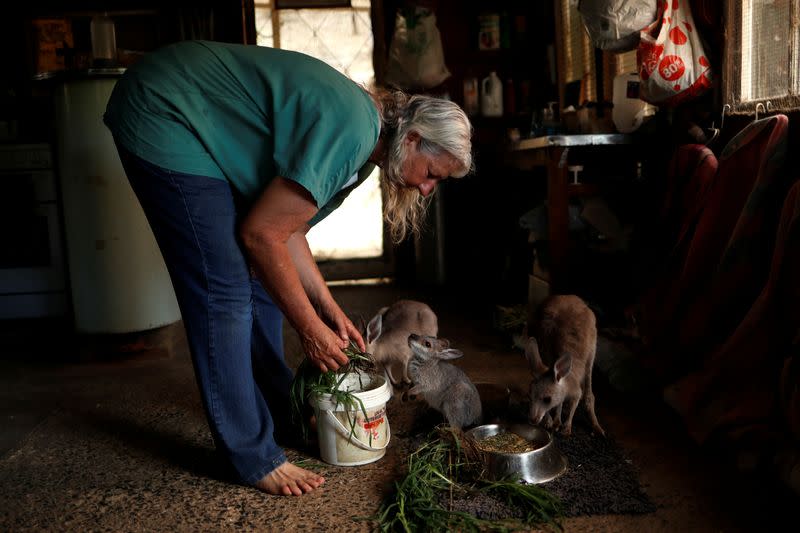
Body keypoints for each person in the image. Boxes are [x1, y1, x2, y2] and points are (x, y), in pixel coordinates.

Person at [103, 40, 473, 496]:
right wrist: (311, 330)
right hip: (165, 109)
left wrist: (326, 308)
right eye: (433, 173)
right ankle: (251, 456)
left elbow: (287, 231)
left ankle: (284, 414)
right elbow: (262, 235)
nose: (426, 190)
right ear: (413, 140)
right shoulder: (354, 130)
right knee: (225, 291)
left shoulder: (363, 154)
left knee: (262, 283)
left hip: (188, 114)